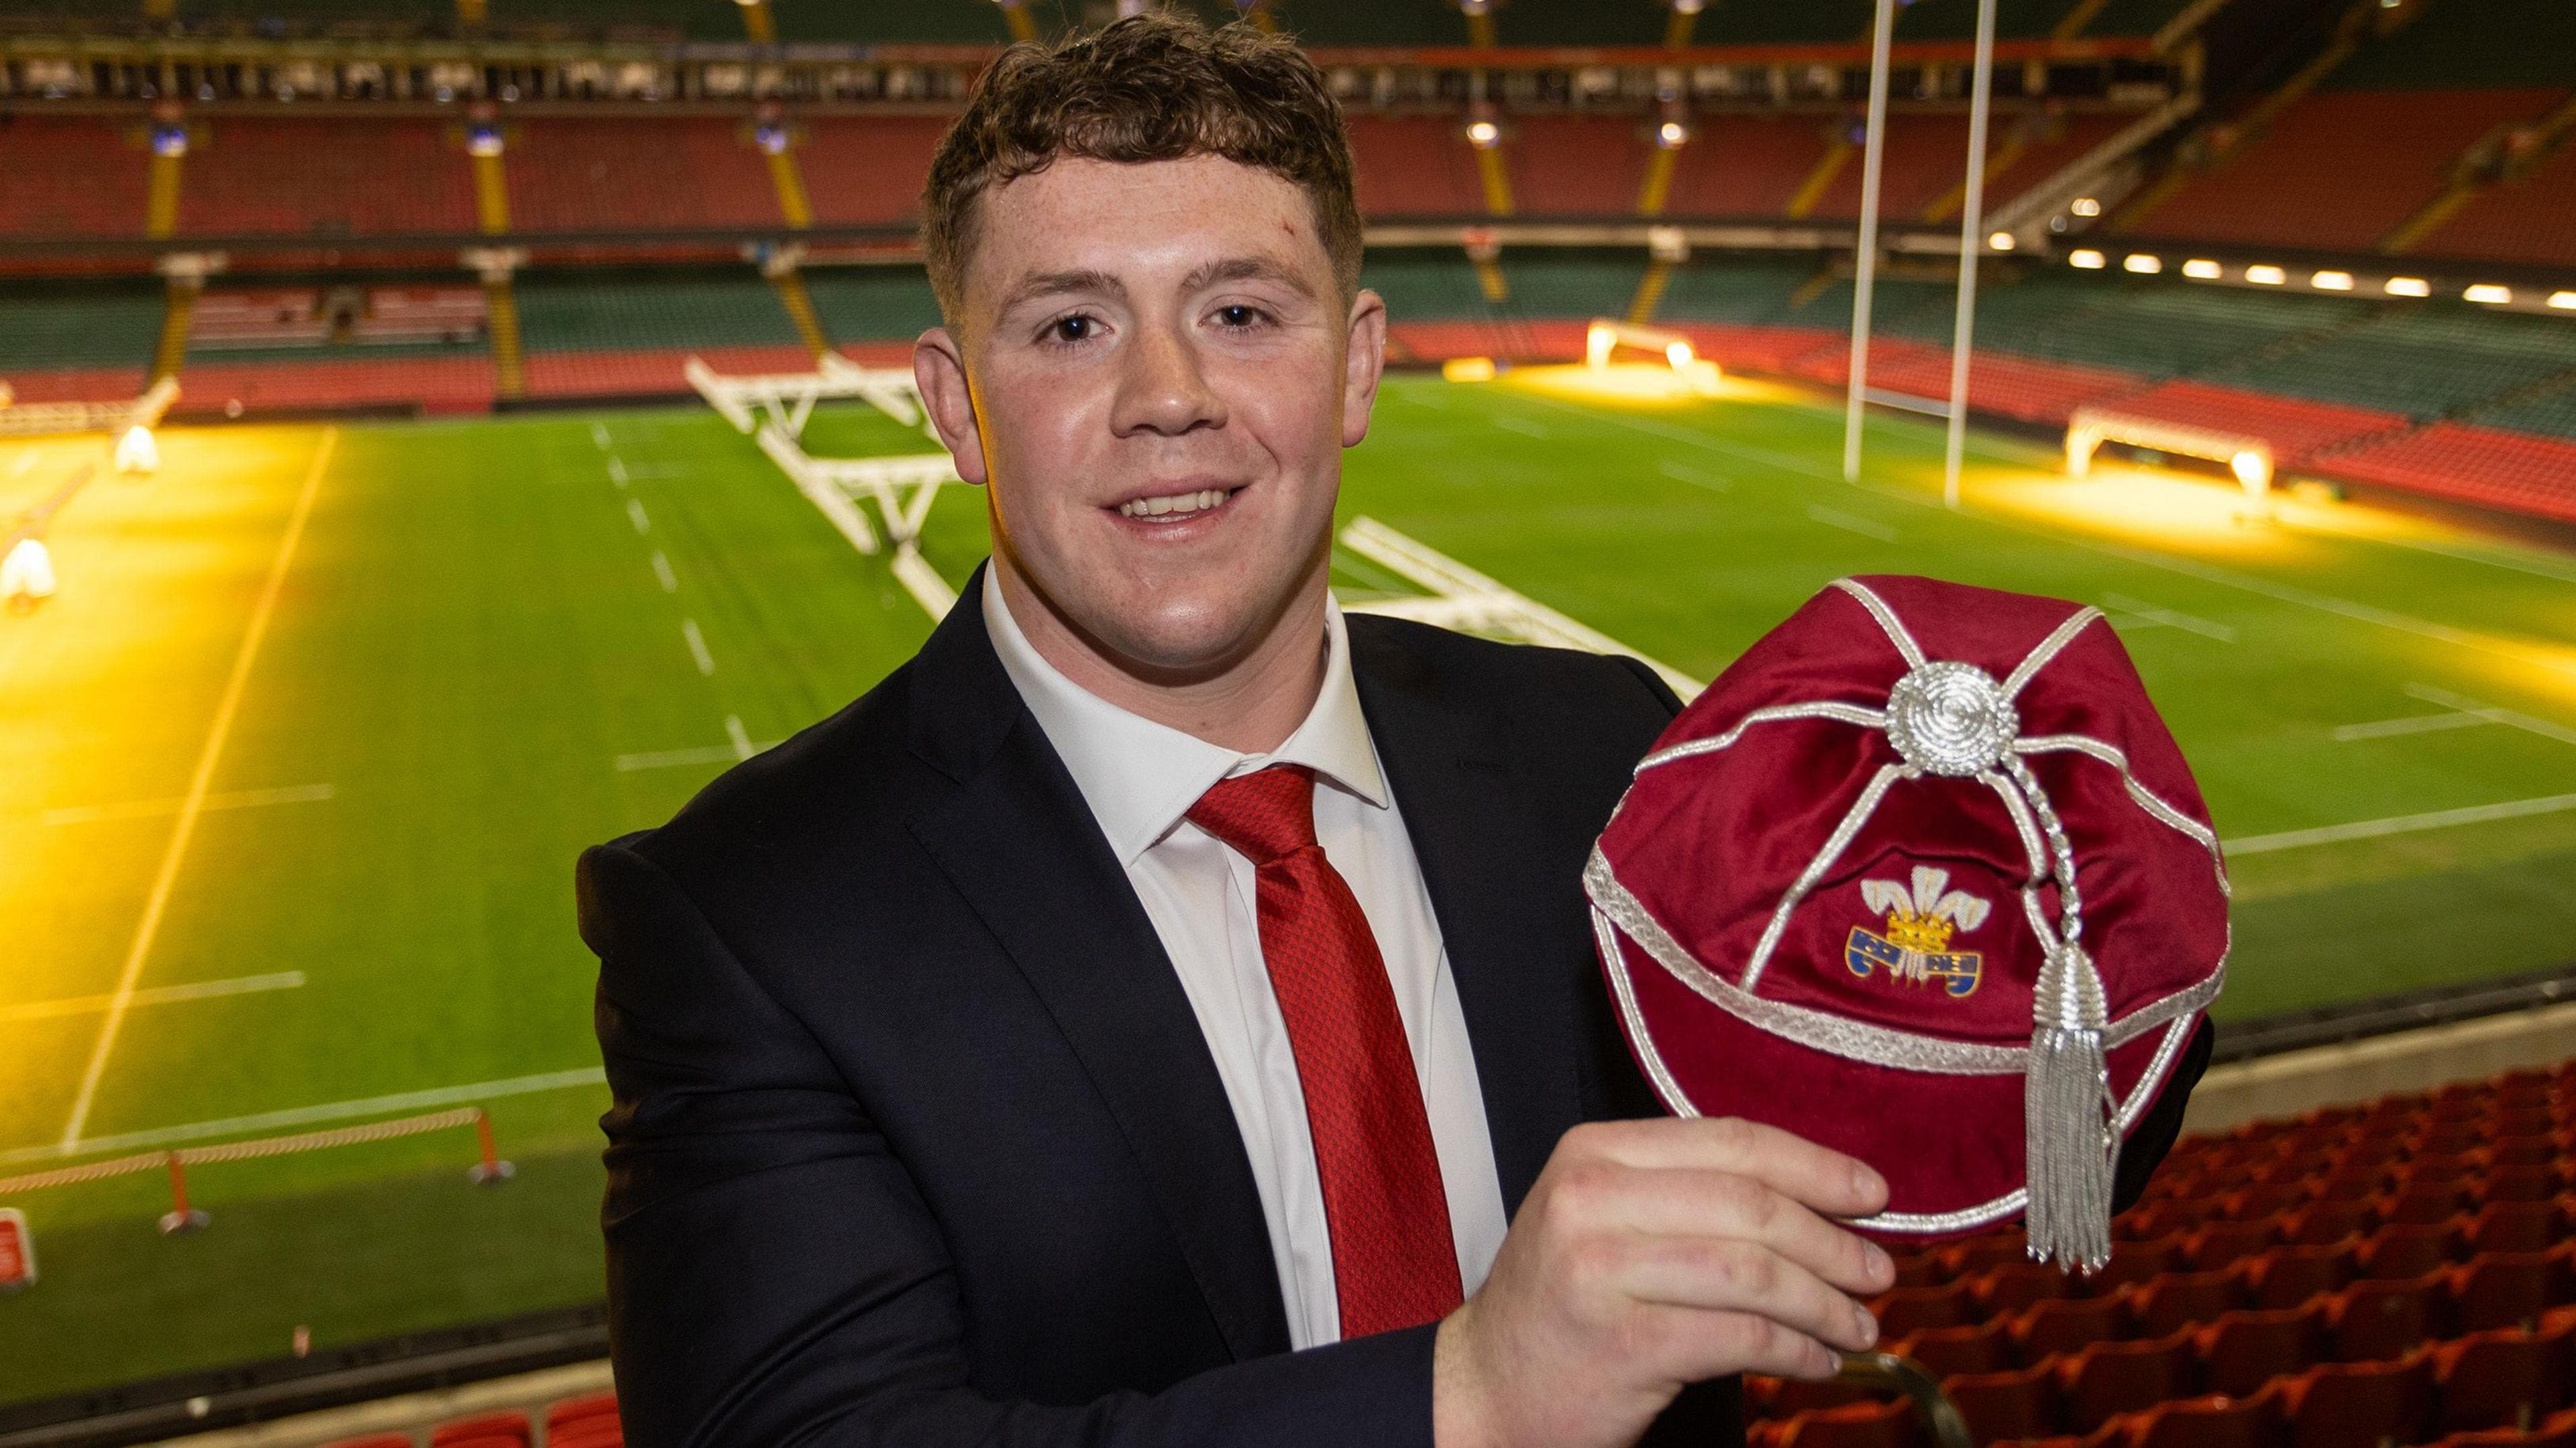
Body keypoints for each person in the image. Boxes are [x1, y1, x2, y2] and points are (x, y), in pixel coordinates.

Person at [578, 16, 2203, 1448]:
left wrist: (2081, 898)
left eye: (1240, 312)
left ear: (1357, 364)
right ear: (951, 404)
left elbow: (1937, 1128)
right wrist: (1470, 1400)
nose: (1166, 395)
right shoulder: (746, 918)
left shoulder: (1609, 758)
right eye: (1070, 325)